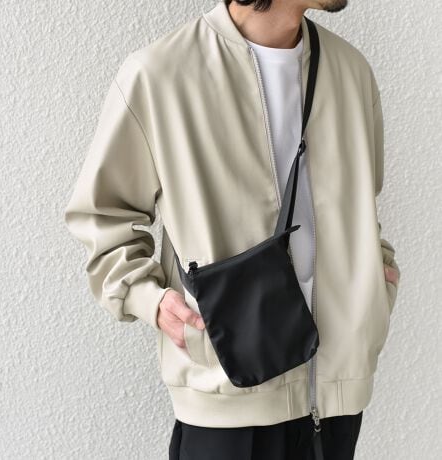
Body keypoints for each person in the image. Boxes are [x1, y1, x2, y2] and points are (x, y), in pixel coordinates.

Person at [64, 0, 401, 458]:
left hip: (338, 398)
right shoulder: (160, 75)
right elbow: (103, 214)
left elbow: (363, 201)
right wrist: (149, 299)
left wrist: (378, 282)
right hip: (227, 401)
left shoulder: (351, 70)